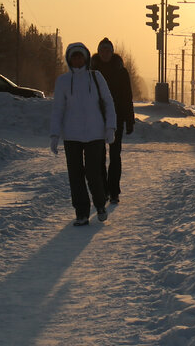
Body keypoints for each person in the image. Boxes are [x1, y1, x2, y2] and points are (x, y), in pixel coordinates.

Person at [50, 42, 116, 226]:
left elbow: (108, 102)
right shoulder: (63, 81)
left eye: (80, 56)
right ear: (69, 59)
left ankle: (100, 204)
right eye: (74, 56)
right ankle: (81, 212)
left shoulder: (96, 77)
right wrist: (54, 134)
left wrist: (110, 127)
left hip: (95, 133)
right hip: (72, 135)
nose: (77, 60)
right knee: (75, 175)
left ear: (86, 58)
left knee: (94, 172)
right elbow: (58, 109)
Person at [89, 37, 135, 204]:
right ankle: (103, 190)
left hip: (116, 118)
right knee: (99, 156)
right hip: (96, 118)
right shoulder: (92, 72)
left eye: (107, 51)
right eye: (102, 51)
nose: (105, 54)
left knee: (115, 155)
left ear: (112, 52)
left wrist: (130, 120)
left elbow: (127, 97)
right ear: (99, 52)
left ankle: (114, 190)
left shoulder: (121, 71)